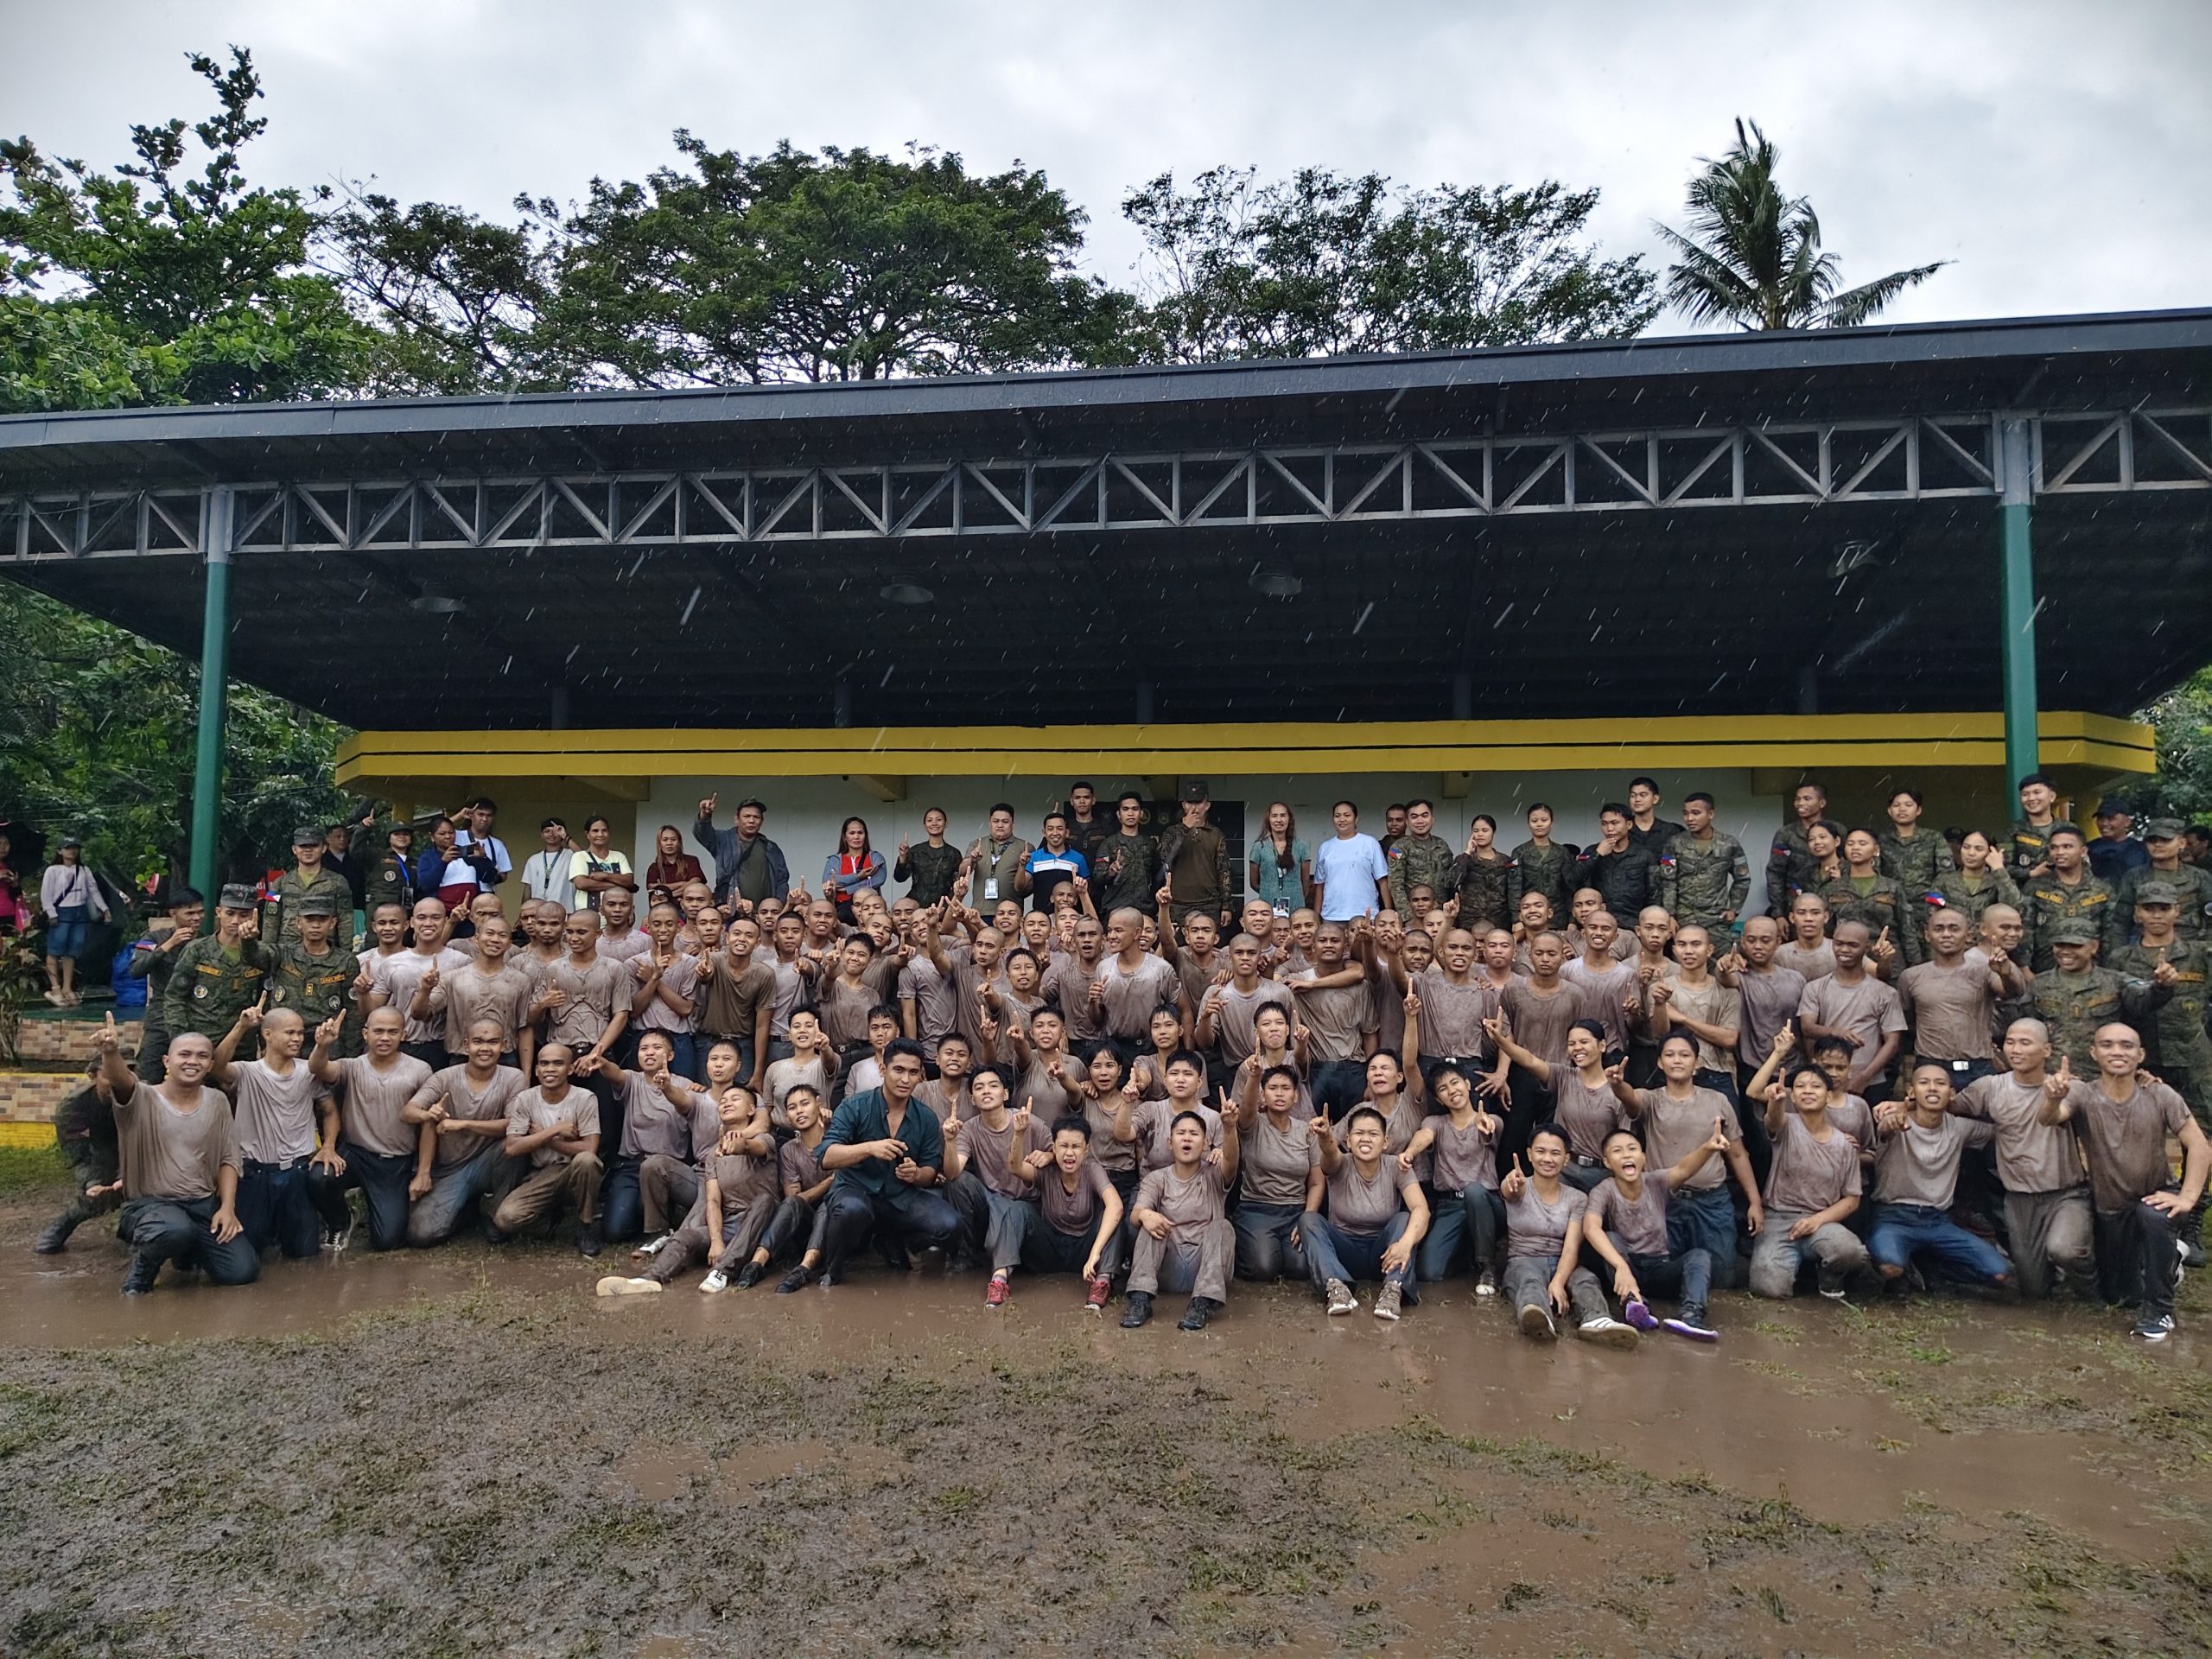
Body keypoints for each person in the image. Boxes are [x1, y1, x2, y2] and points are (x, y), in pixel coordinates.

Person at [2039, 1023, 2212, 1342]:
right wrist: (2052, 1099)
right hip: (2110, 1208)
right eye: (2107, 1045)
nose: (2117, 1051)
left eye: (2126, 1045)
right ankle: (2169, 1258)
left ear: (2140, 1055)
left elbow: (2199, 1145)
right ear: (2094, 1053)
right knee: (2121, 1296)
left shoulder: (2159, 1093)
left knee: (2153, 1216)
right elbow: (2050, 1117)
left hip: (2157, 1198)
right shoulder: (2082, 1093)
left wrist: (2187, 1198)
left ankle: (2160, 1311)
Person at [92, 1014, 257, 1294]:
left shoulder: (217, 1101)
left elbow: (228, 1158)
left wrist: (227, 1208)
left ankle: (187, 1253)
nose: (193, 1061)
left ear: (210, 1065)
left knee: (241, 1272)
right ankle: (141, 1273)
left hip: (202, 1205)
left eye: (202, 1056)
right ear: (167, 1062)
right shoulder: (142, 1098)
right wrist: (110, 1052)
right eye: (185, 1054)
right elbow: (122, 1081)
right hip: (150, 1205)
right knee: (174, 1230)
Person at [1949, 1019, 2096, 1300]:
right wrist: (1903, 1105)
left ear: (2046, 1050)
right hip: (2019, 1200)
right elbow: (1947, 1105)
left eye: (2025, 1043)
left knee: (2064, 1250)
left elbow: (2052, 1117)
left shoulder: (2069, 1087)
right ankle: (2054, 1275)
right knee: (2034, 1291)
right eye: (2010, 1042)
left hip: (2065, 1194)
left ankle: (2093, 1287)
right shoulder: (1990, 1087)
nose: (2016, 1050)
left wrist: (2053, 1098)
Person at [598, 1088, 778, 1296]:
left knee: (765, 1200)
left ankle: (723, 1271)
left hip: (764, 1223)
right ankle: (649, 1279)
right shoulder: (713, 1155)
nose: (727, 1103)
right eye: (723, 1101)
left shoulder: (766, 1139)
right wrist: (716, 1241)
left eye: (735, 1099)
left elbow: (755, 1147)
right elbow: (713, 1201)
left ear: (752, 1110)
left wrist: (741, 1144)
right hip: (730, 1224)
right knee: (685, 1235)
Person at [815, 1039, 960, 1283]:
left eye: (913, 1072)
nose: (905, 1079)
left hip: (899, 1197)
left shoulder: (926, 1117)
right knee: (851, 1210)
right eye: (898, 1070)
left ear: (921, 1076)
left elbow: (930, 1171)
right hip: (855, 1191)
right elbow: (826, 1157)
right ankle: (833, 1271)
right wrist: (870, 1148)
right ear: (883, 1070)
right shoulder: (854, 1106)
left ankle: (894, 1240)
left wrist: (916, 1174)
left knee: (950, 1224)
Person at [208, 1004, 345, 1260]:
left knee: (304, 1253)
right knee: (250, 1252)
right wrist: (241, 1027)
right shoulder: (247, 1072)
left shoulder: (309, 1072)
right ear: (267, 1034)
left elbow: (330, 1111)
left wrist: (328, 1146)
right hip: (254, 1174)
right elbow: (216, 1067)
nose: (297, 1039)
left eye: (300, 1033)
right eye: (290, 1033)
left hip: (296, 1172)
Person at [1580, 1119, 1733, 1341]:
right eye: (1617, 1151)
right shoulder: (1603, 1190)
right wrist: (1621, 1266)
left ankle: (1691, 1316)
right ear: (1607, 1162)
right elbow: (1591, 1227)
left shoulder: (1655, 1181)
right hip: (1627, 1267)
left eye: (1632, 1149)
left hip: (1659, 1265)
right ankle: (1634, 1304)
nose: (1626, 1155)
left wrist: (1708, 1148)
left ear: (1643, 1157)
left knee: (1699, 1256)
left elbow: (1683, 1169)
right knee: (1611, 1238)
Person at [1864, 1065, 2011, 1295]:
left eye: (1940, 1083)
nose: (1932, 1088)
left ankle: (1931, 1270)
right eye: (1924, 1083)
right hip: (1893, 1216)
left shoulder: (1959, 1128)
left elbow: (2001, 1131)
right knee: (1891, 1267)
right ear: (1911, 1091)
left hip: (1937, 1220)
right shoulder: (1896, 1120)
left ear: (1951, 1094)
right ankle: (1901, 1267)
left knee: (1999, 1273)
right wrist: (1891, 1123)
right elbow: (1885, 1130)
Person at [302, 1007, 435, 1252]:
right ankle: (340, 1220)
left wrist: (424, 1171)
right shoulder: (352, 1067)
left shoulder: (420, 1070)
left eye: (392, 1032)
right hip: (356, 1154)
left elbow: (428, 1123)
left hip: (395, 1162)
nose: (385, 1038)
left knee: (387, 1241)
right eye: (378, 1031)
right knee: (319, 1177)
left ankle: (382, 1209)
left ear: (404, 1035)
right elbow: (318, 1068)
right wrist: (322, 1046)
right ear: (366, 1034)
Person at [402, 1012, 531, 1247]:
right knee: (420, 1234)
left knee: (512, 1147)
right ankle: (466, 1210)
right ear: (466, 1045)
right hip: (450, 1169)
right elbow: (408, 1111)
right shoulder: (444, 1077)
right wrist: (427, 1115)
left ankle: (495, 1210)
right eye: (478, 1041)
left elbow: (514, 1125)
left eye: (493, 1042)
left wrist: (464, 1124)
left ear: (504, 1045)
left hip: (488, 1161)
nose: (485, 1048)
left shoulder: (514, 1078)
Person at [1500, 1127, 1636, 1346]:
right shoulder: (1520, 1187)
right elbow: (1508, 1190)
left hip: (1561, 1260)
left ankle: (1597, 1320)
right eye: (1541, 1151)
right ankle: (1539, 1319)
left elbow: (1571, 1248)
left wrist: (1558, 1281)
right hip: (1523, 1259)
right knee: (1529, 1281)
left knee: (1585, 1280)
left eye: (1555, 1153)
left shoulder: (1577, 1198)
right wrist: (1511, 1183)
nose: (1547, 1159)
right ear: (1529, 1155)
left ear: (1566, 1159)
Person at [1750, 1063, 1870, 1300]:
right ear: (1793, 1096)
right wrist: (1776, 1101)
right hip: (1779, 1218)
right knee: (1769, 1288)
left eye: (1816, 1086)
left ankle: (1829, 1277)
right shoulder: (1786, 1124)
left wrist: (1816, 1221)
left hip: (1821, 1220)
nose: (1807, 1091)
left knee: (1850, 1252)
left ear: (1828, 1096)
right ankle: (1791, 1268)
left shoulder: (1844, 1144)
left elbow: (1852, 1199)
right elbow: (1773, 1121)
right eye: (1800, 1086)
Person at [1300, 1102, 1429, 1319]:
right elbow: (1330, 1155)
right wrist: (1326, 1136)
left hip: (1384, 1254)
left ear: (1385, 1142)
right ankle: (1336, 1288)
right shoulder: (1339, 1164)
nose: (1366, 1139)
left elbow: (1421, 1209)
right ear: (1348, 1140)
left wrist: (1406, 1243)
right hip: (1344, 1254)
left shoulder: (1397, 1166)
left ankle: (1393, 1289)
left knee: (1404, 1218)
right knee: (1309, 1220)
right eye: (1359, 1133)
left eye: (1373, 1134)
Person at [583, 1032, 715, 1243]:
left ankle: (658, 1216)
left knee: (654, 1171)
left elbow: (687, 1105)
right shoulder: (632, 1080)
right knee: (614, 1231)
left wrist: (675, 1088)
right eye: (644, 1049)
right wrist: (602, 1063)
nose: (649, 1053)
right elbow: (615, 1074)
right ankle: (645, 1212)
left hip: (667, 1167)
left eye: (657, 1048)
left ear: (670, 1056)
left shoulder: (686, 1086)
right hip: (631, 1166)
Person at [1121, 1105, 1240, 1331]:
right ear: (1170, 1142)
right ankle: (1140, 1299)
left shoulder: (1214, 1174)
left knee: (1223, 1227)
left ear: (1205, 1144)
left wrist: (1229, 1127)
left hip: (1205, 1268)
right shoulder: (1156, 1179)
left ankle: (1202, 1304)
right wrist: (1146, 1215)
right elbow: (1135, 1215)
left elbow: (1232, 1161)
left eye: (1194, 1134)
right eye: (1181, 1133)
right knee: (1150, 1224)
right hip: (1168, 1266)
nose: (1187, 1138)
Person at [996, 1110, 1126, 1310]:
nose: (1069, 1153)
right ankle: (999, 1281)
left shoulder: (1092, 1170)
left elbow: (1115, 1205)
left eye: (1076, 1147)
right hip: (1049, 1247)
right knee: (1017, 1210)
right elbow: (1016, 1168)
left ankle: (1102, 1282)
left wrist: (1095, 1253)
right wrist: (1019, 1134)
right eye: (1064, 1146)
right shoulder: (1046, 1170)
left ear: (1087, 1149)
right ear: (1054, 1148)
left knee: (1113, 1221)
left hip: (1084, 1251)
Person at [943, 1063, 1049, 1287]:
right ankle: (966, 1255)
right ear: (972, 1099)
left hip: (1026, 1203)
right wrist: (950, 1141)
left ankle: (1001, 1269)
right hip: (991, 1199)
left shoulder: (1028, 1121)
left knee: (1004, 1232)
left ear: (1005, 1094)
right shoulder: (969, 1128)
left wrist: (1048, 1156)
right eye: (979, 1087)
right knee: (957, 1183)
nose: (986, 1091)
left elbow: (1059, 1152)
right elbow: (952, 1172)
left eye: (993, 1085)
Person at [492, 1042, 604, 1253]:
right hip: (540, 1173)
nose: (550, 1069)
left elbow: (590, 1148)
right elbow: (512, 1147)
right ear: (536, 1070)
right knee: (505, 1219)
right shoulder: (525, 1099)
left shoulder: (584, 1098)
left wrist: (545, 1138)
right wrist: (554, 1131)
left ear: (570, 1069)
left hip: (572, 1170)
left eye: (558, 1063)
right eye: (544, 1064)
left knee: (587, 1161)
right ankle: (549, 1214)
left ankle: (585, 1226)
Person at [1898, 907, 2022, 1092]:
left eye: (1954, 929)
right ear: (1927, 935)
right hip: (1931, 1065)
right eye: (1939, 929)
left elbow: (2012, 991)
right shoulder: (1911, 977)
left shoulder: (1985, 971)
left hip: (1978, 1066)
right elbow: (1907, 1020)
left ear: (1968, 935)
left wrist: (2006, 973)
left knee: (1983, 1112)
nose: (1946, 934)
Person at [2030, 917, 2173, 1071]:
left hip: (2103, 1075)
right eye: (2060, 945)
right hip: (2053, 1075)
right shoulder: (2038, 984)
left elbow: (2144, 1001)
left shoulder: (2115, 981)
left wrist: (2162, 986)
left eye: (2075, 946)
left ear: (2093, 947)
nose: (2065, 951)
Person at [1796, 920, 1906, 1099]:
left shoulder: (1885, 993)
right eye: (1839, 944)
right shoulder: (1815, 988)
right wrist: (1836, 1032)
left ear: (1866, 947)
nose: (1844, 950)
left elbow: (1892, 1042)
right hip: (1826, 1080)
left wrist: (1863, 1078)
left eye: (1853, 945)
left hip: (1871, 1082)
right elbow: (1807, 1028)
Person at [365, 896, 471, 1068]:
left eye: (435, 918)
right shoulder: (392, 963)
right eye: (422, 918)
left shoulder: (462, 962)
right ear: (412, 923)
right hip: (400, 1044)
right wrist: (363, 993)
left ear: (445, 921)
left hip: (440, 1047)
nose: (428, 923)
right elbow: (373, 1011)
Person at [34, 1058, 120, 1255]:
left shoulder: (147, 1094)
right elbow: (77, 1152)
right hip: (103, 1145)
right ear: (93, 1076)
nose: (118, 1081)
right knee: (101, 1191)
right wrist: (92, 1182)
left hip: (139, 1145)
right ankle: (65, 1224)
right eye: (110, 1075)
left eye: (125, 1072)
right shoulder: (74, 1106)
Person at [124, 887, 205, 1084]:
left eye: (200, 912)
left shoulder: (207, 942)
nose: (197, 918)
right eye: (190, 913)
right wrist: (168, 945)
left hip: (196, 1015)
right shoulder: (154, 938)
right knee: (148, 1075)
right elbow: (135, 970)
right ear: (173, 913)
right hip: (160, 1016)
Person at [2021, 827, 2120, 971]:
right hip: (2044, 969)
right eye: (2054, 848)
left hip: (2091, 971)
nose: (2059, 852)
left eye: (2067, 847)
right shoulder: (2035, 887)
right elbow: (2025, 929)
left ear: (2083, 851)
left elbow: (2111, 934)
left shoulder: (2102, 889)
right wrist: (2024, 967)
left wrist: (2109, 971)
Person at [1661, 793, 1751, 944]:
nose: (1689, 819)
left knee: (1721, 958)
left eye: (1696, 813)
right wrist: (1670, 915)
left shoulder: (1729, 844)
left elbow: (1742, 879)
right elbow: (1668, 881)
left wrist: (1734, 909)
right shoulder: (1674, 843)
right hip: (1684, 919)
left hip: (1717, 920)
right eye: (1686, 813)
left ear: (1711, 814)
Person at [38, 836, 109, 1006]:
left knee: (73, 950)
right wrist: (51, 913)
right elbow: (46, 894)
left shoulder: (84, 870)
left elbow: (93, 891)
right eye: (68, 848)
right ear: (60, 851)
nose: (72, 851)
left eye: (75, 848)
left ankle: (67, 987)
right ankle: (55, 987)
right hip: (61, 912)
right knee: (55, 949)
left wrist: (104, 909)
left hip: (79, 912)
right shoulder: (53, 870)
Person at [694, 793, 791, 916]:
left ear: (762, 821)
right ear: (736, 819)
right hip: (732, 911)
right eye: (747, 816)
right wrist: (705, 815)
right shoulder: (723, 840)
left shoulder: (771, 847)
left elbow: (782, 880)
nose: (751, 821)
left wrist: (777, 905)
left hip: (763, 915)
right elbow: (703, 834)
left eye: (756, 817)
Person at [1156, 781, 1230, 931]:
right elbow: (1165, 858)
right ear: (1184, 805)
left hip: (1209, 903)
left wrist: (1226, 905)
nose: (1194, 808)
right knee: (1175, 945)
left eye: (1198, 803)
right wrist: (1185, 828)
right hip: (1178, 903)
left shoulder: (1216, 834)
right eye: (1190, 803)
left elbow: (1223, 871)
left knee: (1209, 943)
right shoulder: (1171, 832)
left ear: (1207, 805)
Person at [265, 823, 353, 948]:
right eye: (303, 846)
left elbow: (345, 919)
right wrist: (269, 951)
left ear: (324, 848)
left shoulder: (338, 882)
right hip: (287, 950)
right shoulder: (279, 884)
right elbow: (271, 919)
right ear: (294, 849)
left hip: (324, 950)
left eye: (314, 845)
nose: (308, 850)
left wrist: (346, 951)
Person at [1577, 804, 1658, 922]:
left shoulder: (1644, 855)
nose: (1609, 828)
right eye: (1604, 824)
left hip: (1633, 921)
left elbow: (1654, 893)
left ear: (1629, 824)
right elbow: (1574, 879)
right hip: (1598, 921)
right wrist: (1597, 854)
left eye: (1615, 823)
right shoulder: (1592, 851)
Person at [1765, 780, 1830, 918]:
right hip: (1794, 906)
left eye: (1807, 799)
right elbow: (1775, 874)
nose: (1800, 803)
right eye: (1797, 799)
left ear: (1822, 803)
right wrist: (1778, 913)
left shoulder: (1836, 830)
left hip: (1829, 904)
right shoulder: (1786, 834)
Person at [1090, 793, 1159, 918]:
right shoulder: (1109, 844)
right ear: (1118, 814)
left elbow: (1158, 877)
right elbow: (1097, 878)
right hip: (1115, 908)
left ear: (1141, 813)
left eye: (1135, 809)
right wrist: (1110, 872)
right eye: (1125, 809)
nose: (1130, 813)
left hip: (1144, 909)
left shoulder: (1150, 844)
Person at [1017, 812, 1089, 913]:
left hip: (1069, 916)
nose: (1055, 833)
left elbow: (1087, 890)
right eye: (1050, 829)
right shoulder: (1034, 857)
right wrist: (1021, 866)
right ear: (1044, 833)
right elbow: (1020, 887)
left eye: (1060, 828)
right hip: (1042, 916)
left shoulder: (1078, 858)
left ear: (1067, 832)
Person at [1249, 800, 1310, 916]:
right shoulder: (1259, 847)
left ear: (1289, 819)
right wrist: (1271, 891)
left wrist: (1292, 893)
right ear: (1268, 819)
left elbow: (1305, 884)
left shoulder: (1302, 846)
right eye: (1274, 816)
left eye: (1283, 815)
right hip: (1267, 905)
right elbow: (1254, 883)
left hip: (1295, 906)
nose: (1279, 820)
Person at [822, 816, 888, 921]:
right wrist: (858, 876)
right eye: (852, 833)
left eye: (860, 833)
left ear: (865, 836)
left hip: (870, 909)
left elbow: (879, 879)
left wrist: (847, 889)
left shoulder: (875, 857)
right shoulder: (835, 860)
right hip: (842, 910)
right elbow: (829, 881)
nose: (856, 837)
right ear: (845, 837)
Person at [893, 808, 963, 907]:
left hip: (942, 907)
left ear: (946, 824)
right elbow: (900, 878)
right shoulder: (916, 851)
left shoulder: (953, 853)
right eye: (929, 820)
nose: (934, 823)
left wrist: (948, 907)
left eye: (938, 820)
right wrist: (903, 857)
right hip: (917, 906)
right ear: (925, 826)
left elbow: (957, 884)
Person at [2004, 772, 2063, 883]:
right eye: (2025, 794)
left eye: (2037, 792)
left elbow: (2082, 864)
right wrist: (2031, 873)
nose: (2031, 798)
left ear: (2052, 796)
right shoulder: (2014, 831)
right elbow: (2002, 867)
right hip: (2027, 892)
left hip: (2063, 890)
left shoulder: (2068, 829)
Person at [2086, 804, 2150, 887]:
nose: (2104, 823)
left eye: (2110, 818)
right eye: (2100, 818)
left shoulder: (2141, 849)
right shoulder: (2088, 849)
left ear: (2127, 822)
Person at [520, 817, 576, 911]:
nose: (551, 834)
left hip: (565, 910)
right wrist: (523, 911)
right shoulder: (533, 859)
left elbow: (583, 856)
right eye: (547, 831)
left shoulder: (570, 855)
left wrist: (565, 836)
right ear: (542, 835)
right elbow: (528, 888)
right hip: (538, 911)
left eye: (555, 831)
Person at [644, 823, 707, 896]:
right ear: (659, 843)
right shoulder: (654, 867)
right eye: (665, 840)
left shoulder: (691, 861)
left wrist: (669, 894)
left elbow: (696, 882)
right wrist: (682, 883)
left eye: (673, 839)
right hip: (665, 903)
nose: (669, 843)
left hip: (687, 902)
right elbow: (651, 887)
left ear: (679, 842)